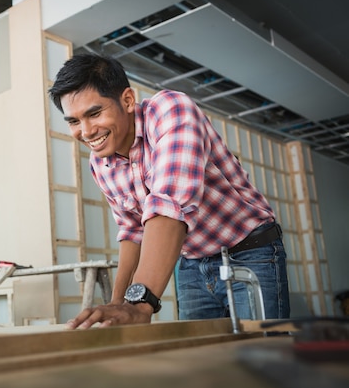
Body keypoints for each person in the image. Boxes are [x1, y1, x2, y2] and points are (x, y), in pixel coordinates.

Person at [48, 53, 290, 329]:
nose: (87, 131)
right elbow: (132, 230)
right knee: (201, 360)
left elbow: (169, 205)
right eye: (74, 121)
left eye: (94, 113)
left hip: (249, 252)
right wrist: (118, 304)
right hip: (190, 265)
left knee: (262, 356)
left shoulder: (171, 109)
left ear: (127, 100)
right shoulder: (100, 162)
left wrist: (140, 304)